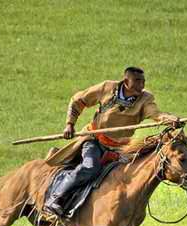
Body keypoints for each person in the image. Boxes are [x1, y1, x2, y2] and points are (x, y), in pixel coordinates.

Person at [44, 66, 178, 217]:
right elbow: (78, 100)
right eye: (137, 81)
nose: (142, 86)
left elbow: (155, 114)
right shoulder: (106, 88)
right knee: (90, 167)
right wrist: (70, 124)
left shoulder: (145, 98)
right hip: (95, 140)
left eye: (143, 81)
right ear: (126, 81)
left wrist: (169, 119)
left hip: (121, 149)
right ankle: (56, 198)